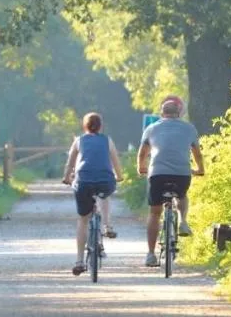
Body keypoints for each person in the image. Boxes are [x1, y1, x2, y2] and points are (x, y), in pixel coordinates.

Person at [137, 95, 204, 267]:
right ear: (179, 113)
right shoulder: (189, 128)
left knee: (154, 213)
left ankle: (151, 255)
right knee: (182, 194)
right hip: (181, 173)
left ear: (162, 112)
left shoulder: (151, 128)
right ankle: (182, 221)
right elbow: (197, 153)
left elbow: (143, 153)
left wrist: (141, 168)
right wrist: (200, 169)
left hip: (157, 174)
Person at [61, 111, 125, 276]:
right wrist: (119, 176)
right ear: (101, 126)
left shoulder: (78, 141)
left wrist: (67, 178)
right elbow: (116, 162)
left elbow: (70, 164)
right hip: (105, 181)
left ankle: (79, 260)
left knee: (83, 219)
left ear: (85, 126)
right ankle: (106, 225)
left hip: (83, 182)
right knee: (104, 194)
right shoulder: (107, 140)